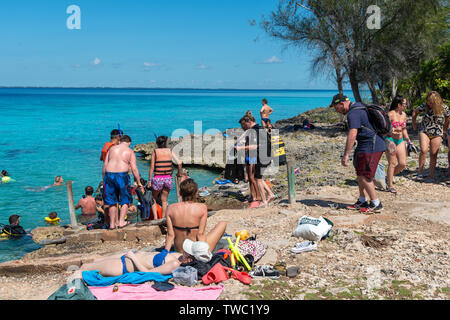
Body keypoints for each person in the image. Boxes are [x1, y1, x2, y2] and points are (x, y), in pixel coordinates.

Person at [331, 93, 387, 213]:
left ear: (342, 103)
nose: (337, 111)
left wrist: (346, 154)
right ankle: (362, 200)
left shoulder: (353, 113)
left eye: (337, 108)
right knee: (360, 172)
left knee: (365, 175)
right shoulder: (359, 106)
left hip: (371, 145)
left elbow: (352, 133)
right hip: (366, 144)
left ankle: (376, 203)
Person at [160, 178, 227, 262]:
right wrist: (203, 254)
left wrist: (165, 253)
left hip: (179, 251)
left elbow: (170, 235)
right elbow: (200, 234)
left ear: (180, 193)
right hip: (195, 253)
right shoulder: (202, 207)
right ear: (196, 193)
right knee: (223, 223)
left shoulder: (170, 208)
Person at [103, 134, 144, 229]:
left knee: (111, 201)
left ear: (120, 141)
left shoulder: (111, 149)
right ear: (129, 143)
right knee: (125, 199)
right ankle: (121, 222)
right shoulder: (130, 151)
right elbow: (134, 168)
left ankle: (112, 224)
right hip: (122, 175)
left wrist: (104, 178)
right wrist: (138, 182)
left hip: (109, 175)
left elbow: (105, 165)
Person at [237, 115, 275, 208]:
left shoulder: (255, 131)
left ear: (249, 121)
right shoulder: (259, 128)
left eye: (244, 125)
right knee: (259, 178)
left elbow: (255, 146)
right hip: (266, 155)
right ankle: (270, 194)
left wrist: (241, 147)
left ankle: (264, 201)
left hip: (260, 156)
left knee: (257, 179)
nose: (244, 127)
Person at [412, 91, 450, 181]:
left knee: (433, 153)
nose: (428, 103)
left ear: (435, 101)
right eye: (428, 101)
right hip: (424, 130)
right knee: (423, 150)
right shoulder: (424, 106)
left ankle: (431, 175)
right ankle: (420, 173)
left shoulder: (444, 108)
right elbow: (415, 112)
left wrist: (444, 130)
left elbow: (448, 118)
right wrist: (414, 123)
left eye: (430, 102)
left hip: (437, 132)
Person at [79, 249, 190, 277]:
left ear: (190, 259)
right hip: (130, 256)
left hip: (125, 266)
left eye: (188, 250)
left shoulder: (174, 264)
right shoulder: (180, 255)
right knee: (95, 260)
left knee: (85, 267)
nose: (185, 249)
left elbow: (149, 273)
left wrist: (133, 257)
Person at [147, 136, 182, 220]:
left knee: (153, 198)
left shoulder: (155, 152)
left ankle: (155, 218)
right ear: (165, 143)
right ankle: (163, 219)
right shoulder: (169, 151)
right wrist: (178, 173)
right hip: (168, 179)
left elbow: (152, 167)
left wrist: (149, 180)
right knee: (164, 200)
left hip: (158, 178)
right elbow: (179, 163)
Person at [385, 95, 411, 193]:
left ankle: (388, 177)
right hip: (390, 139)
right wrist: (395, 129)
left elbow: (404, 129)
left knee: (402, 164)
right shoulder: (389, 115)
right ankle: (390, 185)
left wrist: (408, 140)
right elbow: (384, 130)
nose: (406, 106)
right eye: (404, 104)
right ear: (398, 105)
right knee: (392, 163)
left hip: (400, 140)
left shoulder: (404, 115)